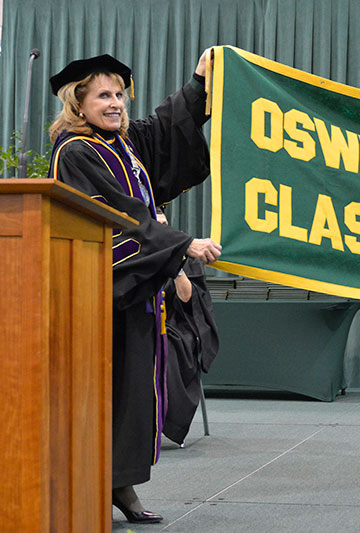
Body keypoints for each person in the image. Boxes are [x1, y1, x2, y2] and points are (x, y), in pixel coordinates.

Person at [47, 51, 222, 523]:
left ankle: (119, 482)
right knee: (108, 391)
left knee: (132, 393)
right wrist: (182, 245)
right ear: (77, 103)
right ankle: (94, 483)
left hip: (135, 292)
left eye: (119, 94)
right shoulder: (76, 151)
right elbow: (121, 215)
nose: (115, 103)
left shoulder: (122, 145)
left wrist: (199, 82)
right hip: (103, 292)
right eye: (103, 95)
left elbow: (165, 127)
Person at [156, 208, 220, 446]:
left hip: (175, 324)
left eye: (165, 223)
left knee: (165, 346)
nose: (162, 226)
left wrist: (175, 267)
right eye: (156, 223)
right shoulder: (138, 253)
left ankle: (164, 420)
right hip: (142, 321)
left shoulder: (185, 257)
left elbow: (187, 299)